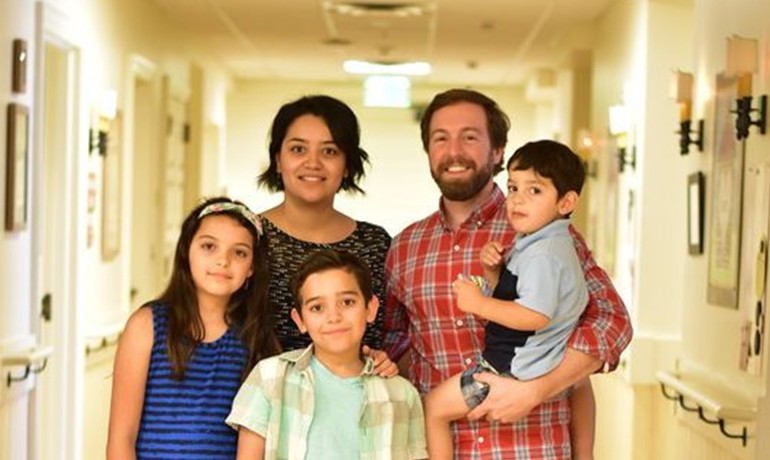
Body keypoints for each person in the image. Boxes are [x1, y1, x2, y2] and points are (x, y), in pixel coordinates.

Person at [383, 88, 633, 459]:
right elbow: (395, 346)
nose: (454, 151)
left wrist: (537, 389)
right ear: (428, 152)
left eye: (469, 137)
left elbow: (612, 323)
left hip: (533, 449)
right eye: (441, 139)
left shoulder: (545, 234)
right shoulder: (404, 247)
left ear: (498, 151)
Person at [424, 140, 595, 459]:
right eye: (513, 188)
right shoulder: (538, 243)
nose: (517, 200)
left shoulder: (544, 254)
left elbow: (534, 315)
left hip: (508, 370)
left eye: (535, 191)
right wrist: (494, 273)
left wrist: (478, 303)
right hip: (521, 364)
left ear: (566, 201)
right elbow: (526, 295)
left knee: (434, 408)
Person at [106, 196, 280, 459]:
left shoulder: (257, 337)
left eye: (240, 252)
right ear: (187, 251)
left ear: (252, 267)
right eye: (209, 246)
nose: (223, 261)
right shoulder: (146, 326)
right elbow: (121, 439)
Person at [226, 249, 428, 459]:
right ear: (300, 320)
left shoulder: (402, 395)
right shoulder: (270, 378)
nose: (334, 317)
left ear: (370, 308)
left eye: (347, 302)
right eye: (317, 307)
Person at [256, 94, 391, 353]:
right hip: (262, 390)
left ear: (348, 165)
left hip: (358, 391)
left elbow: (391, 335)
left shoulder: (375, 243)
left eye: (329, 151)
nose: (313, 163)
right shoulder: (250, 237)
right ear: (277, 160)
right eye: (298, 149)